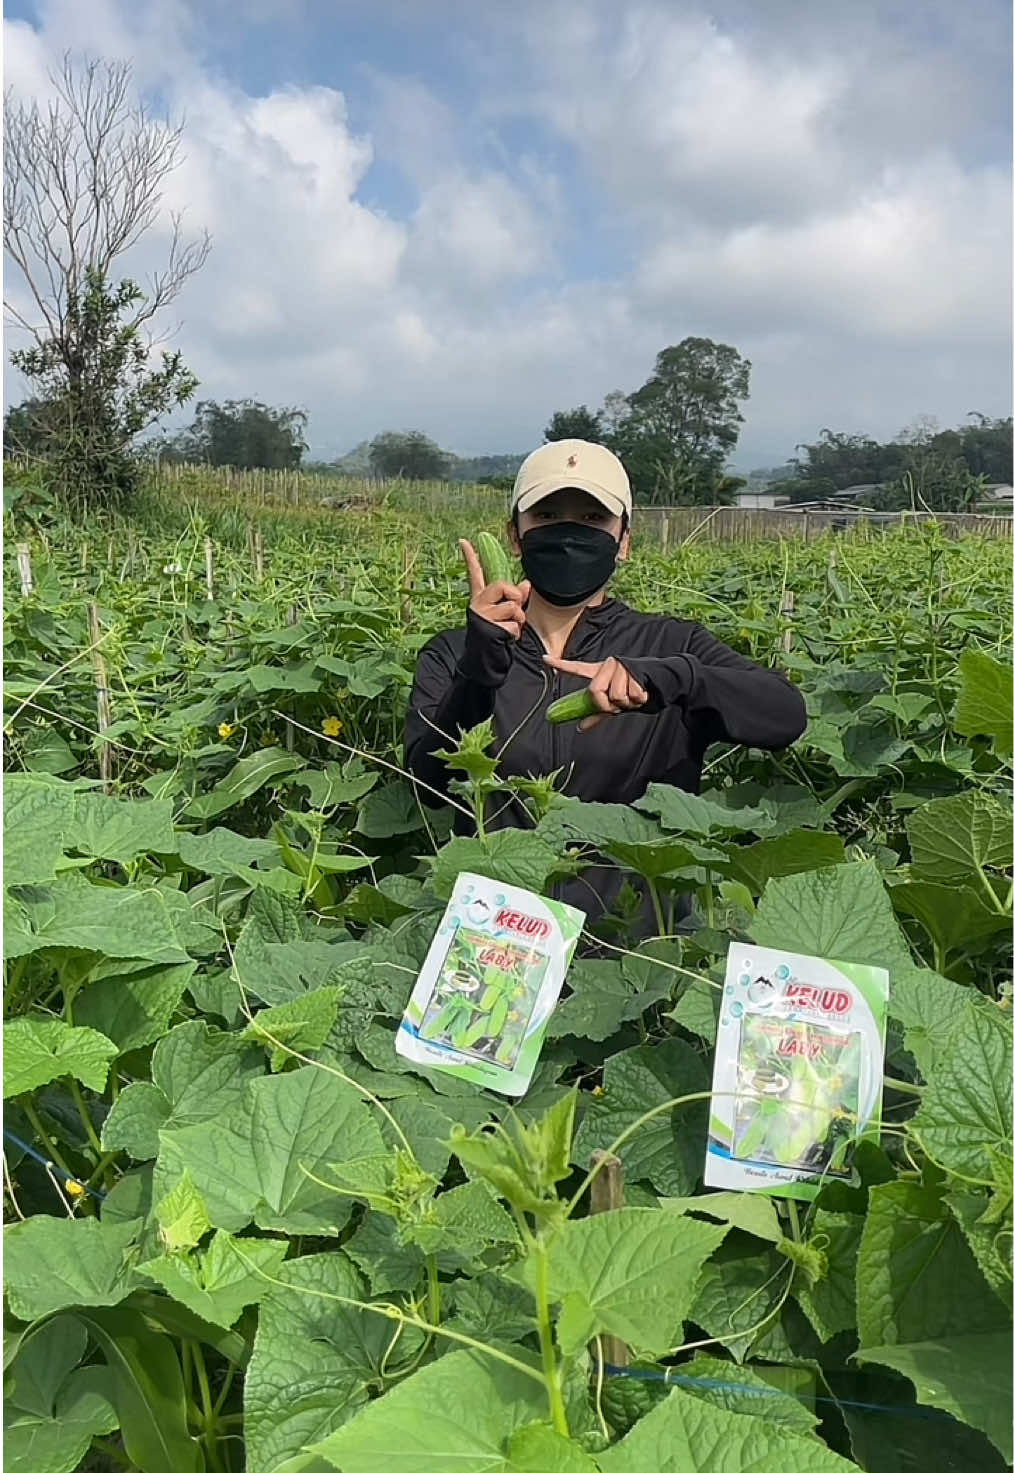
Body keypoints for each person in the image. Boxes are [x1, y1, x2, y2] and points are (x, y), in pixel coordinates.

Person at [404, 439, 808, 938]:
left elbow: (786, 716)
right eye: (548, 516)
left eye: (593, 520)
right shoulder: (452, 653)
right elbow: (428, 785)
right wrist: (480, 670)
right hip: (496, 943)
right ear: (515, 536)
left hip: (635, 950)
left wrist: (673, 678)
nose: (569, 534)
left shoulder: (670, 643)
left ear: (624, 541)